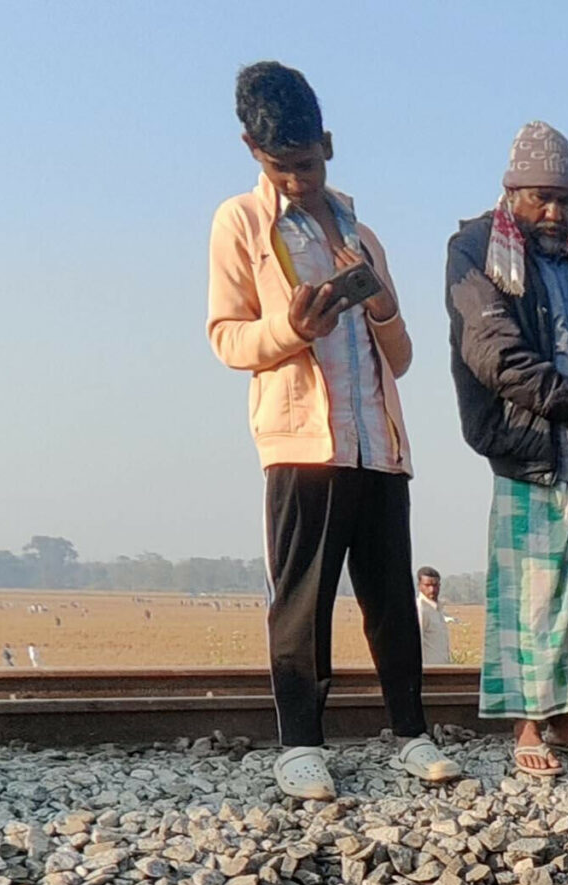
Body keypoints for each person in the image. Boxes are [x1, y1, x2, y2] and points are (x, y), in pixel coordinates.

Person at [206, 64, 458, 802]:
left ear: (330, 146)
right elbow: (225, 338)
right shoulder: (241, 225)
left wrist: (377, 303)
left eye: (307, 164)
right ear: (252, 149)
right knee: (302, 599)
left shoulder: (362, 234)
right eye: (279, 167)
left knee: (389, 598)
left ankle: (412, 731)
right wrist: (292, 327)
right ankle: (301, 745)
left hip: (377, 444)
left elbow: (403, 356)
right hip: (301, 443)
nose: (295, 181)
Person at [447, 121, 568, 778]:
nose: (555, 213)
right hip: (530, 448)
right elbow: (493, 352)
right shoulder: (475, 248)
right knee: (531, 592)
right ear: (512, 191)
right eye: (542, 198)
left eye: (566, 200)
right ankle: (528, 721)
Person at [416, 566, 452, 666]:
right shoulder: (420, 609)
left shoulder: (438, 608)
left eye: (435, 585)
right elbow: (415, 644)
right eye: (427, 585)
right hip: (428, 671)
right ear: (419, 586)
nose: (432, 589)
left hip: (442, 669)